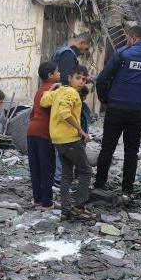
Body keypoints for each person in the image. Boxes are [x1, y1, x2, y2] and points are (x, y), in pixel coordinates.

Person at [93, 26, 141, 199]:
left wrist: (105, 100)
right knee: (131, 151)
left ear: (132, 38)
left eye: (127, 39)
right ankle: (127, 190)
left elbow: (102, 79)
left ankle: (99, 184)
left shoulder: (122, 54)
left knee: (107, 148)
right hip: (138, 113)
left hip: (116, 109)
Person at [42, 65, 95, 221]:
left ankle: (65, 211)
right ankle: (79, 207)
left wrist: (52, 88)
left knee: (66, 176)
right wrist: (81, 130)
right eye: (77, 78)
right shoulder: (72, 93)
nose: (81, 82)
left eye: (84, 79)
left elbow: (44, 101)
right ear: (69, 78)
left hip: (58, 140)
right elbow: (65, 113)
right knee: (86, 171)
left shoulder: (60, 91)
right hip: (70, 139)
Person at [28, 62, 60, 210]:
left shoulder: (39, 90)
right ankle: (47, 203)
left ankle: (37, 200)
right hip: (44, 133)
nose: (59, 74)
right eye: (57, 72)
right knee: (47, 168)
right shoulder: (54, 91)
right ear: (50, 75)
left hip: (32, 131)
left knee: (36, 167)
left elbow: (33, 113)